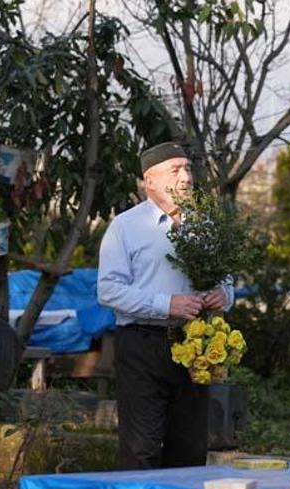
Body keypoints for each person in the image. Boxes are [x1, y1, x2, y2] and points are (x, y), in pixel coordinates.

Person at [97, 142, 234, 470]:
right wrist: (166, 304)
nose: (186, 177)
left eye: (188, 168)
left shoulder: (204, 226)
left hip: (195, 348)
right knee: (141, 448)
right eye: (175, 170)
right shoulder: (125, 227)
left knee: (189, 449)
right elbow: (108, 290)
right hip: (142, 346)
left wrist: (223, 295)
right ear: (150, 181)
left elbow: (227, 281)